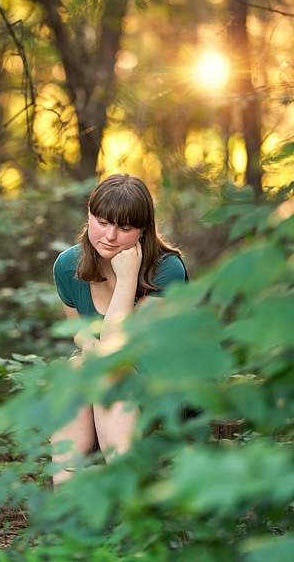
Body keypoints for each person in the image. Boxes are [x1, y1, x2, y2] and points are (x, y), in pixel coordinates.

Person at [52, 173, 188, 486]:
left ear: (143, 229)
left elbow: (117, 347)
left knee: (109, 373)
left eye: (125, 228)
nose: (110, 236)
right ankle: (65, 484)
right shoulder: (67, 265)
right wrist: (86, 345)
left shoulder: (167, 269)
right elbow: (80, 332)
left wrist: (127, 279)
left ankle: (124, 490)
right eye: (102, 222)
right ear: (89, 214)